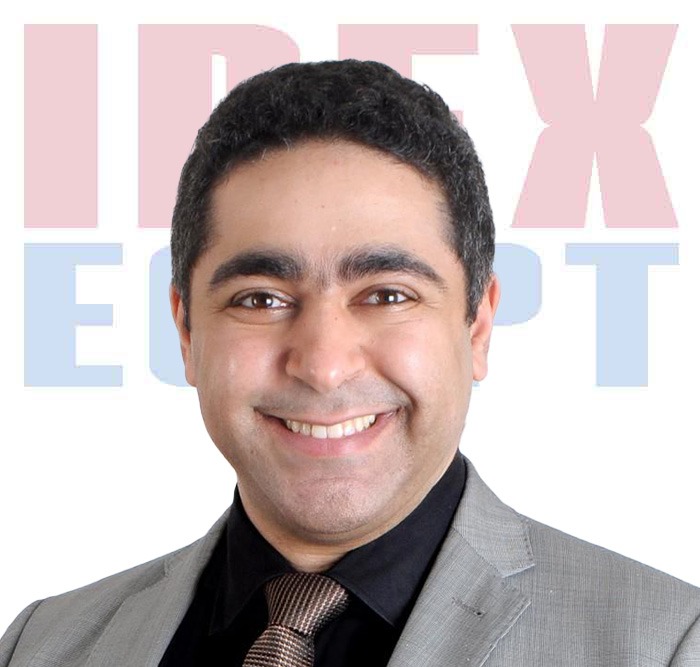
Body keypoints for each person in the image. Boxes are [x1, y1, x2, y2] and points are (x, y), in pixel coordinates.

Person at [2, 59, 699, 666]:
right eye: (261, 298)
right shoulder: (41, 645)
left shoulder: (667, 645)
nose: (324, 365)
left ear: (478, 325)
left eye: (387, 294)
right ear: (186, 329)